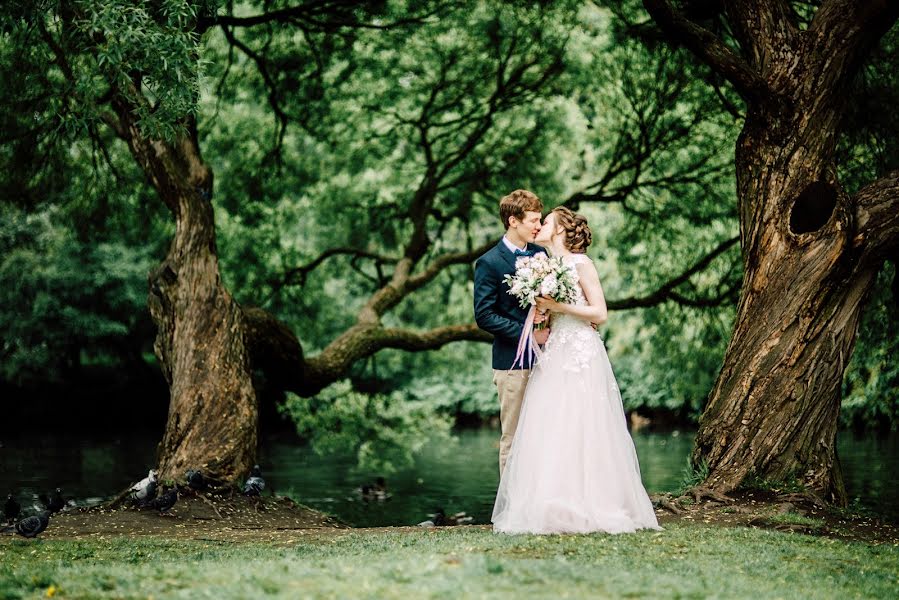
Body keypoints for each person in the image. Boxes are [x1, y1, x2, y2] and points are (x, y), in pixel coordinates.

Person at [491, 206, 662, 534]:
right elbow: (545, 314)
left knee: (584, 423)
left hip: (581, 350)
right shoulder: (545, 266)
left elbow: (599, 313)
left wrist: (557, 306)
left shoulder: (582, 264)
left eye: (546, 222)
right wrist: (542, 315)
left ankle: (594, 503)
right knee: (552, 425)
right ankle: (555, 504)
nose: (539, 226)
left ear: (559, 230)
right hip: (554, 351)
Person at [473, 190, 551, 475]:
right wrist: (527, 334)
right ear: (512, 221)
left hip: (545, 361)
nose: (538, 226)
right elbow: (484, 315)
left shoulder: (541, 254)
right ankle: (510, 510)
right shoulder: (489, 262)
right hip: (511, 364)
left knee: (545, 436)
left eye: (540, 220)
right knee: (514, 437)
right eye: (533, 220)